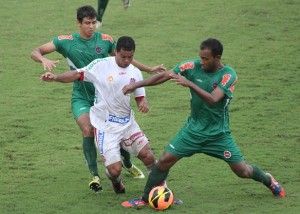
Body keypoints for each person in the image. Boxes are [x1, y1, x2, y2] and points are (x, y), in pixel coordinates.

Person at [121, 38, 286, 208]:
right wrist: (135, 85)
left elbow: (213, 99)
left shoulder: (228, 75)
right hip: (192, 131)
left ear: (217, 57)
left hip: (218, 135)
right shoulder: (191, 66)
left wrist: (189, 83)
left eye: (206, 59)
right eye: (201, 57)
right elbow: (166, 75)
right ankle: (145, 197)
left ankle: (268, 180)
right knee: (163, 160)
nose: (202, 62)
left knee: (242, 171)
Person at [31, 5, 165, 193]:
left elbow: (125, 60)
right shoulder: (66, 42)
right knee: (88, 129)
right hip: (82, 97)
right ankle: (95, 174)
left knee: (119, 130)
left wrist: (148, 69)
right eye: (87, 23)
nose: (92, 26)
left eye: (94, 22)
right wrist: (44, 61)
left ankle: (126, 163)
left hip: (106, 96)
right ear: (79, 23)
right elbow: (36, 51)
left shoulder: (106, 41)